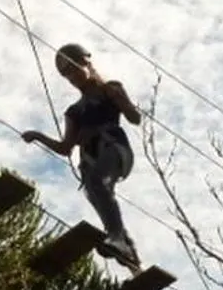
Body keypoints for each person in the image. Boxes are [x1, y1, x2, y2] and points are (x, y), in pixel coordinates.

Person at [21, 43, 144, 271]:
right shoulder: (74, 111)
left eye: (75, 70)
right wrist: (37, 136)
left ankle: (117, 238)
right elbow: (65, 147)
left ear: (87, 63)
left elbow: (134, 118)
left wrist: (122, 102)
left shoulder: (110, 88)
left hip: (114, 148)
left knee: (98, 183)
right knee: (98, 196)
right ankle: (128, 252)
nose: (73, 78)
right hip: (90, 161)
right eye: (68, 76)